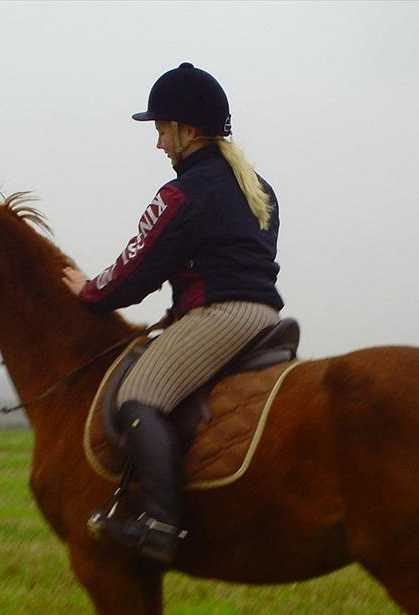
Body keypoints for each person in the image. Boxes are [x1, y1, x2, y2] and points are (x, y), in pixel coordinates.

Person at [62, 62, 284, 566]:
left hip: (220, 317)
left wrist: (88, 291)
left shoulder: (182, 194)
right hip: (264, 317)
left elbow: (135, 272)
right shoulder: (259, 186)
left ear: (186, 130)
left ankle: (159, 524)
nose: (159, 142)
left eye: (162, 130)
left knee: (137, 396)